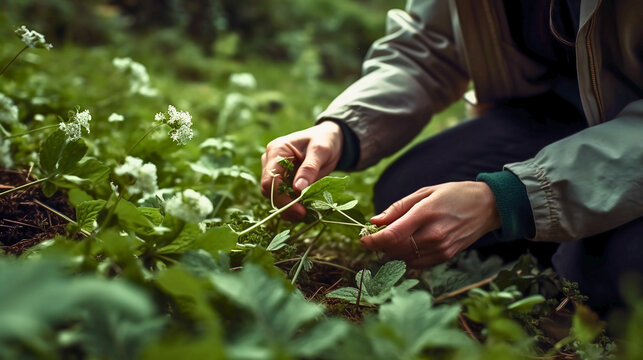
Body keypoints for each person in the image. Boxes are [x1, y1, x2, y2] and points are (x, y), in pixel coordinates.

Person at [260, 0, 642, 312]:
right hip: (548, 118)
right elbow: (426, 49)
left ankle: (576, 258)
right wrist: (340, 130)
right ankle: (565, 246)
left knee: (615, 270)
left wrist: (510, 197)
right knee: (406, 195)